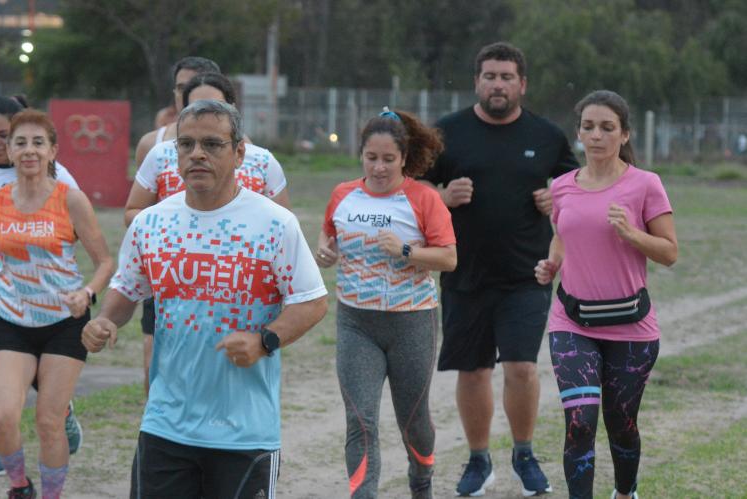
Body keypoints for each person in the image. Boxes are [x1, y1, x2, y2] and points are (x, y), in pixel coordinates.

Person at [82, 99, 328, 498]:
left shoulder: (273, 223)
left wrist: (264, 340)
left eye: (212, 144)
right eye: (186, 144)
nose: (196, 154)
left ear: (239, 153)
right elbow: (127, 290)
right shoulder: (152, 222)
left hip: (245, 432)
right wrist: (106, 320)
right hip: (166, 423)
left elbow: (312, 301)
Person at [418, 42, 579, 497]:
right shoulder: (446, 133)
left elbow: (578, 188)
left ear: (522, 84)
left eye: (507, 77)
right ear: (477, 82)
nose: (498, 84)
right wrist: (441, 198)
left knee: (522, 368)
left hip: (526, 275)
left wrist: (557, 197)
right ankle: (478, 459)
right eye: (490, 76)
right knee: (472, 372)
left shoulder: (547, 136)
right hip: (463, 272)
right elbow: (412, 188)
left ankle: (524, 455)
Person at [0, 109, 114, 499]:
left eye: (38, 143)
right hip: (12, 320)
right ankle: (19, 487)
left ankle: (51, 495)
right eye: (21, 142)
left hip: (64, 321)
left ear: (52, 151)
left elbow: (105, 261)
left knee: (48, 420)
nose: (29, 150)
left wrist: (88, 292)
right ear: (9, 151)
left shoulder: (71, 200)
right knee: (1, 417)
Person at [535, 90, 677, 499]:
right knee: (580, 422)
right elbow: (562, 239)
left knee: (621, 422)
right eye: (588, 127)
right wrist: (551, 265)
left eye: (606, 128)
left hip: (631, 327)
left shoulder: (645, 184)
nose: (595, 136)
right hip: (572, 322)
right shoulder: (561, 187)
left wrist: (632, 233)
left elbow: (669, 253)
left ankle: (625, 492)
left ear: (624, 134)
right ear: (578, 133)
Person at [316, 108, 456, 499]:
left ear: (403, 158)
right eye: (371, 158)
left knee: (413, 422)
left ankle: (421, 482)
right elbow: (328, 238)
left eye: (388, 159)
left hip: (412, 322)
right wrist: (324, 253)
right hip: (356, 323)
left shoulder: (423, 198)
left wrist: (407, 249)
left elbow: (448, 258)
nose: (379, 167)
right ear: (361, 155)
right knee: (360, 421)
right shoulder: (343, 194)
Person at [125, 71, 291, 393]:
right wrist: (166, 227)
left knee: (225, 372)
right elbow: (132, 213)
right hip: (172, 267)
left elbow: (284, 226)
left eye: (212, 106)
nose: (198, 152)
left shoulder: (260, 160)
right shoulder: (158, 151)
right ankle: (159, 424)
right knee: (156, 367)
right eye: (192, 104)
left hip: (234, 279)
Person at [0, 95, 84, 477]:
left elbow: (74, 230)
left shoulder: (60, 178)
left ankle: (60, 412)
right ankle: (5, 441)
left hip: (46, 289)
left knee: (43, 367)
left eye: (5, 134)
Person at [134, 56, 221, 167]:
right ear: (174, 92)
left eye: (195, 87)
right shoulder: (150, 144)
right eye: (182, 88)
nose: (187, 95)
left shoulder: (242, 148)